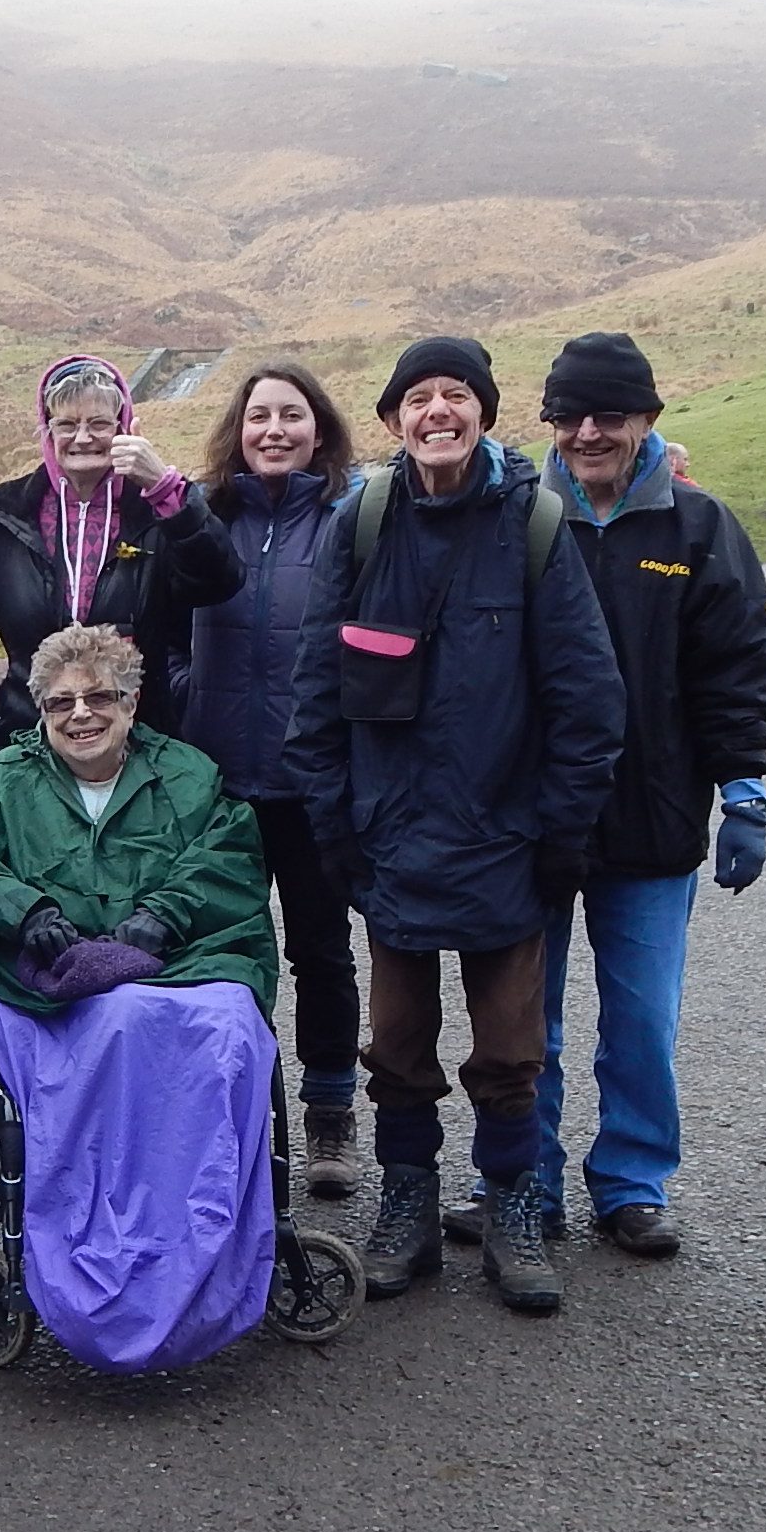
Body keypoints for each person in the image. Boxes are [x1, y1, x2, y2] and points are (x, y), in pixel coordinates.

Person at [282, 335, 626, 1318]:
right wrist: (337, 827)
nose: (438, 411)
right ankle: (407, 1212)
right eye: (419, 397)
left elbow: (587, 700)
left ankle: (515, 1211)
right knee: (397, 1046)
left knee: (512, 1050)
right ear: (394, 421)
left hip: (507, 840)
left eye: (456, 395)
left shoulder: (537, 529)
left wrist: (559, 831)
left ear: (484, 412)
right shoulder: (362, 527)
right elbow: (317, 696)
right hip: (391, 840)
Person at [438, 333, 766, 1259]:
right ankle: (517, 1177)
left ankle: (632, 1183)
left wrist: (743, 787)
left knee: (639, 1021)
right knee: (518, 1022)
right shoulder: (505, 513)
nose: (589, 433)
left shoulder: (698, 529)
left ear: (648, 423)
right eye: (571, 416)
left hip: (652, 816)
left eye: (612, 416)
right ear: (547, 421)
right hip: (526, 819)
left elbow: (737, 670)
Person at [0, 626, 280, 1372]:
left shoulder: (188, 776)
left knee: (229, 1027)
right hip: (53, 978)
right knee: (116, 1020)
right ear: (39, 712)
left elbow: (230, 856)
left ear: (131, 703)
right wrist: (22, 909)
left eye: (98, 697)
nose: (80, 714)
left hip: (181, 961)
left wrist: (165, 912)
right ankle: (102, 1259)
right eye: (59, 702)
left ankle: (200, 1255)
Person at [174, 356, 365, 1197]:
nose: (274, 431)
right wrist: (187, 699)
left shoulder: (351, 521)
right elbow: (162, 629)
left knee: (322, 953)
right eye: (259, 418)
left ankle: (328, 1121)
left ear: (317, 430)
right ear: (237, 432)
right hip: (216, 785)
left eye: (291, 416)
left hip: (312, 780)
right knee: (221, 955)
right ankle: (232, 1115)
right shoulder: (201, 518)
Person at [0, 355, 242, 752]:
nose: (82, 438)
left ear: (124, 428)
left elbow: (219, 581)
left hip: (140, 743)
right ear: (47, 431)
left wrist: (164, 490)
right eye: (66, 424)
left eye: (98, 423)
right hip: (24, 739)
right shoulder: (3, 518)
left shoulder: (155, 512)